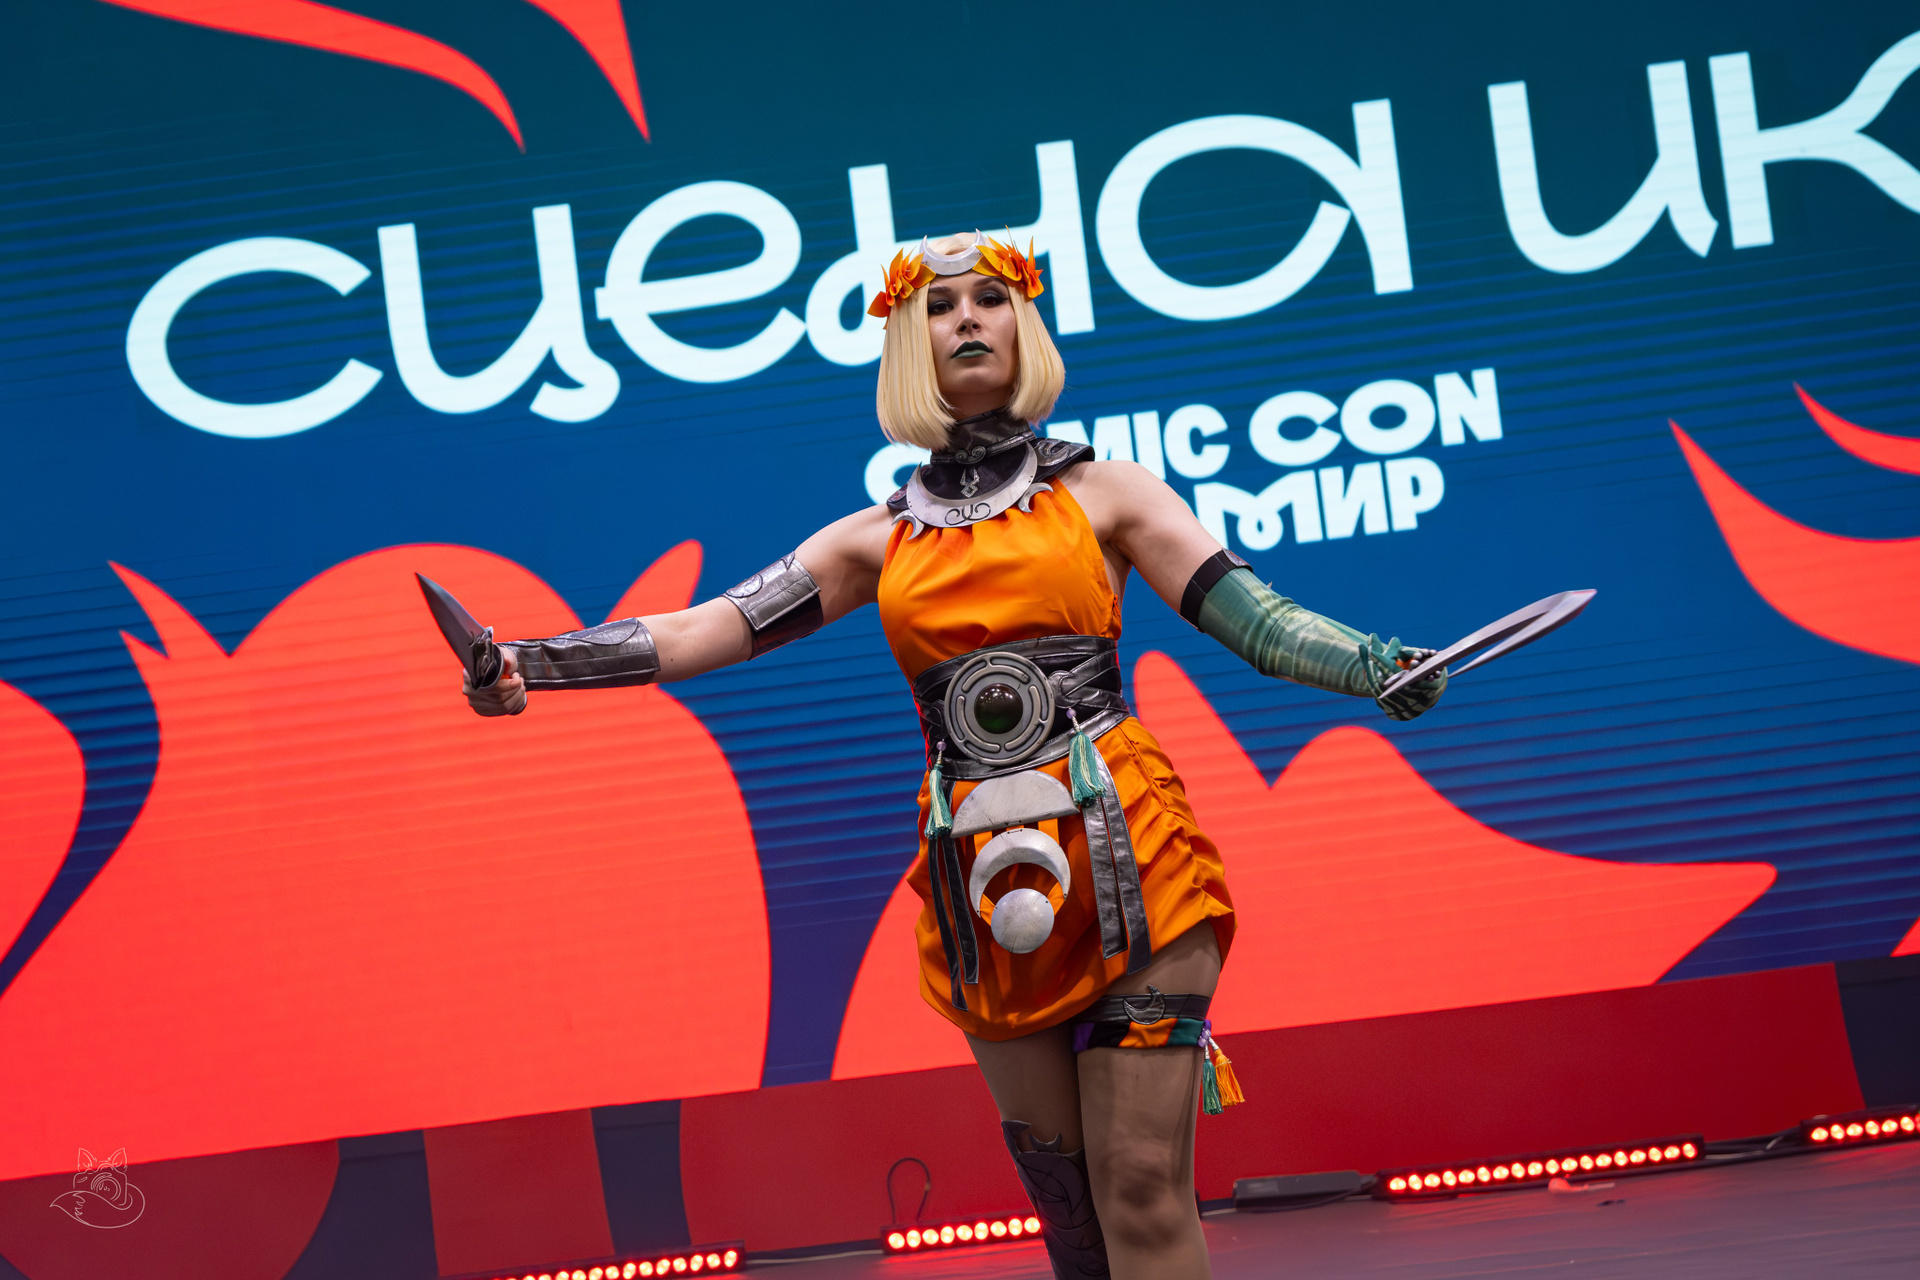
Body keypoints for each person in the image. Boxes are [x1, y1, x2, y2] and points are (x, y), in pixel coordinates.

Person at [457, 233, 1445, 1280]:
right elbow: (708, 628)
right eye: (938, 306)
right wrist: (526, 663)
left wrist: (1374, 665)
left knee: (1140, 1187)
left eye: (988, 298)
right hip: (980, 877)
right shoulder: (873, 541)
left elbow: (1257, 619)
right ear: (906, 342)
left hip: (1133, 855)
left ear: (1025, 324)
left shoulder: (1109, 492)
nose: (966, 318)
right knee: (1074, 1215)